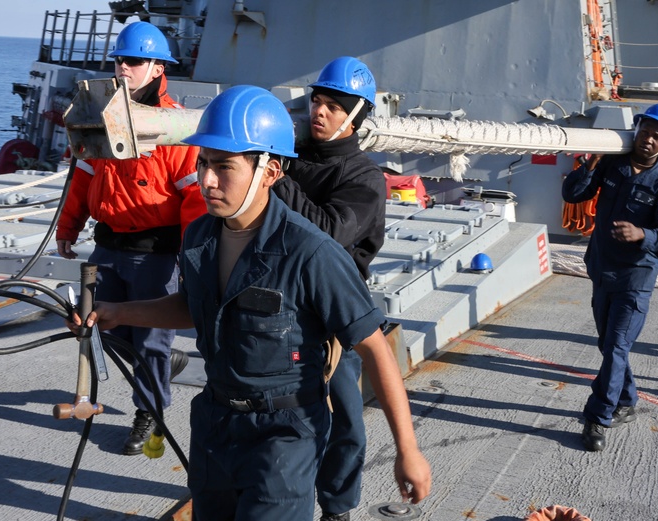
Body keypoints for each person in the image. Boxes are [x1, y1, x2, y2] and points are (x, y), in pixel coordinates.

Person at [73, 85, 431, 520]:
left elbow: (373, 346)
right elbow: (192, 306)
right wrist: (119, 313)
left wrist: (407, 450)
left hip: (284, 435)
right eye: (203, 163)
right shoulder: (200, 235)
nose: (206, 179)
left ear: (270, 171)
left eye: (224, 166)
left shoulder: (312, 252)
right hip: (214, 425)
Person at [56, 21, 203, 455]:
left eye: (134, 61)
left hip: (155, 254)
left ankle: (150, 412)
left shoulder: (173, 128)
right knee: (104, 330)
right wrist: (67, 227)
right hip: (107, 247)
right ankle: (164, 365)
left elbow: (193, 198)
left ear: (158, 68)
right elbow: (82, 176)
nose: (123, 66)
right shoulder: (102, 118)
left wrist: (194, 258)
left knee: (151, 343)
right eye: (120, 59)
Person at [271, 56, 385, 521]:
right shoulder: (288, 156)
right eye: (317, 100)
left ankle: (337, 507)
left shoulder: (363, 178)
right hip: (278, 306)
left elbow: (328, 232)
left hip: (332, 316)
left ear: (355, 117)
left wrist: (274, 176)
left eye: (334, 105)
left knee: (347, 421)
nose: (320, 111)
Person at [562, 103, 658, 452]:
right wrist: (588, 164)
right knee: (609, 346)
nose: (649, 140)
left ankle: (598, 417)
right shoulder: (612, 164)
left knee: (616, 347)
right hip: (602, 270)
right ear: (638, 130)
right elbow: (574, 194)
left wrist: (642, 235)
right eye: (646, 131)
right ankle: (627, 399)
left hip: (635, 279)